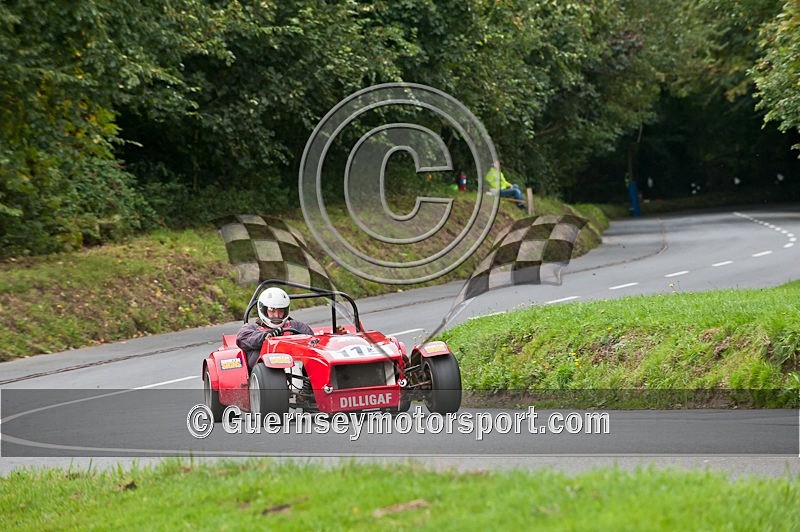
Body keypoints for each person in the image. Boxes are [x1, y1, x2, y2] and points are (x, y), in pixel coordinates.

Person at [236, 287, 313, 371]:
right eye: (272, 311)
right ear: (264, 310)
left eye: (280, 311)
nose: (277, 315)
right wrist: (266, 336)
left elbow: (313, 341)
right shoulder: (253, 328)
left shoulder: (296, 326)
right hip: (266, 374)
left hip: (298, 368)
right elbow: (241, 339)